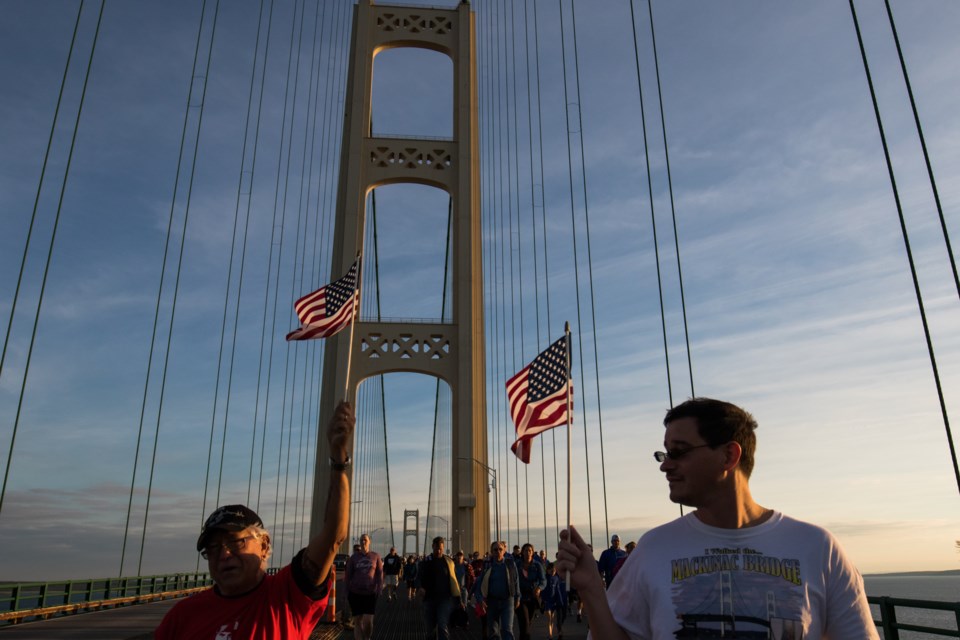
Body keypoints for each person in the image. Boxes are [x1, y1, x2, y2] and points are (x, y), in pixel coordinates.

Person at [556, 397, 878, 639]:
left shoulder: (818, 548)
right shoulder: (654, 547)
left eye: (678, 452)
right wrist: (591, 590)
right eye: (664, 454)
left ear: (729, 455)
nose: (665, 466)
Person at [155, 401, 353, 639]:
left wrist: (338, 461)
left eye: (235, 542)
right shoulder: (182, 616)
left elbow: (333, 536)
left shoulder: (287, 596)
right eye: (213, 547)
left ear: (264, 546)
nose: (224, 555)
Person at [416, 536, 461, 640]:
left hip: (444, 600)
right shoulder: (425, 562)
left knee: (442, 624)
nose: (439, 551)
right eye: (437, 548)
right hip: (429, 599)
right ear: (433, 546)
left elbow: (454, 581)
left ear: (443, 547)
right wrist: (420, 587)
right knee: (430, 630)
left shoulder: (448, 562)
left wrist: (459, 600)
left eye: (441, 548)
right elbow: (418, 578)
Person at [474, 541, 520, 640]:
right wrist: (480, 599)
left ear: (504, 551)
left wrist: (518, 597)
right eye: (495, 550)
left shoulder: (510, 563)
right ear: (491, 551)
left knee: (507, 630)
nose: (498, 551)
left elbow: (516, 581)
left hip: (507, 601)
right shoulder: (487, 565)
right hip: (491, 602)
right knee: (493, 632)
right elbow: (479, 583)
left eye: (500, 549)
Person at [344, 533, 383, 640]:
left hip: (370, 594)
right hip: (355, 593)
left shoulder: (376, 556)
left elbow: (379, 574)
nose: (363, 542)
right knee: (357, 621)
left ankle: (367, 638)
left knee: (368, 621)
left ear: (369, 541)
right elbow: (348, 576)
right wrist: (347, 592)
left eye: (365, 540)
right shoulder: (353, 558)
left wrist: (379, 588)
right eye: (361, 540)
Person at [516, 542, 547, 640]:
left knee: (526, 624)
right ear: (522, 552)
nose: (528, 553)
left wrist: (539, 588)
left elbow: (543, 580)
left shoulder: (537, 565)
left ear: (532, 552)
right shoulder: (517, 565)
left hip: (533, 598)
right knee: (525, 622)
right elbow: (512, 580)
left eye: (530, 551)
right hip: (520, 597)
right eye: (526, 550)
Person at [541, 562, 567, 640]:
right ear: (548, 570)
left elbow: (557, 590)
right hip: (547, 601)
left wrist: (560, 601)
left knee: (552, 619)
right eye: (551, 571)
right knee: (549, 619)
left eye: (554, 571)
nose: (553, 572)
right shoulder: (545, 578)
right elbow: (542, 590)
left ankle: (551, 634)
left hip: (553, 601)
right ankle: (550, 635)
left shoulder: (556, 578)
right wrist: (542, 600)